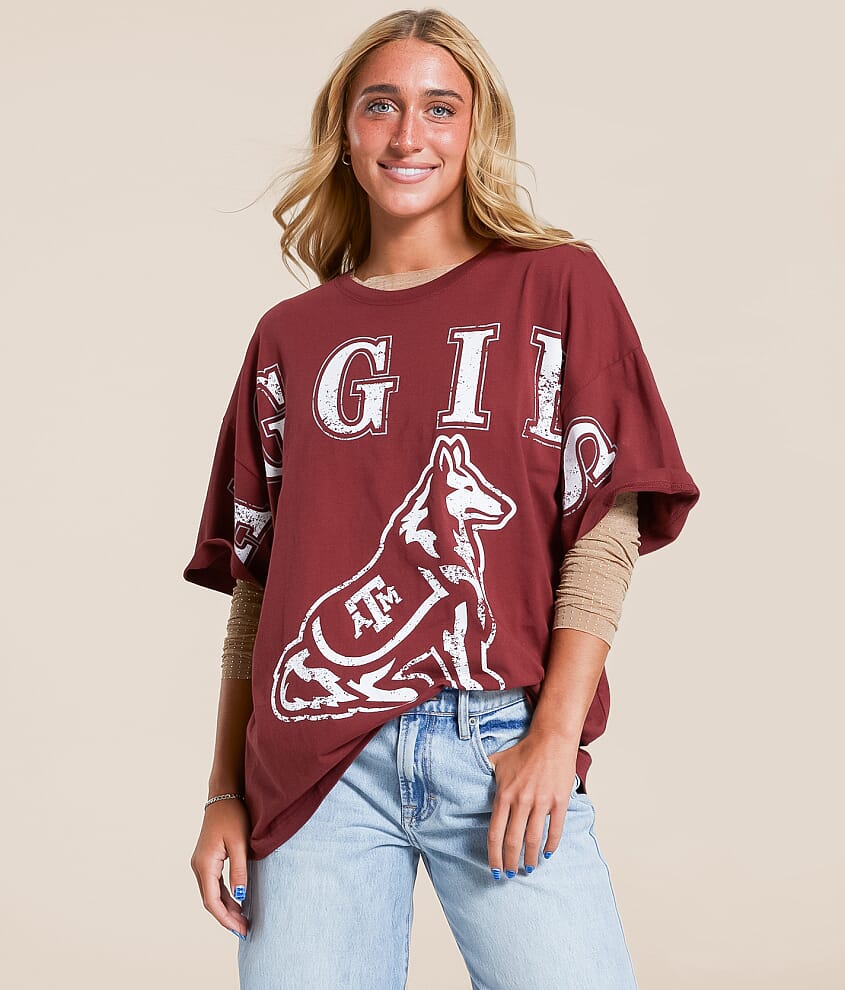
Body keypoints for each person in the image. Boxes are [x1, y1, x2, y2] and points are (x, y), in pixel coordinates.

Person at [183, 8, 700, 988]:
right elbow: (260, 584)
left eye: (438, 108)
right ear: (344, 131)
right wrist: (222, 793)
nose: (407, 135)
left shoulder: (557, 285)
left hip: (495, 737)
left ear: (474, 130)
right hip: (312, 765)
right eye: (380, 106)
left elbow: (606, 525)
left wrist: (552, 733)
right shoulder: (290, 336)